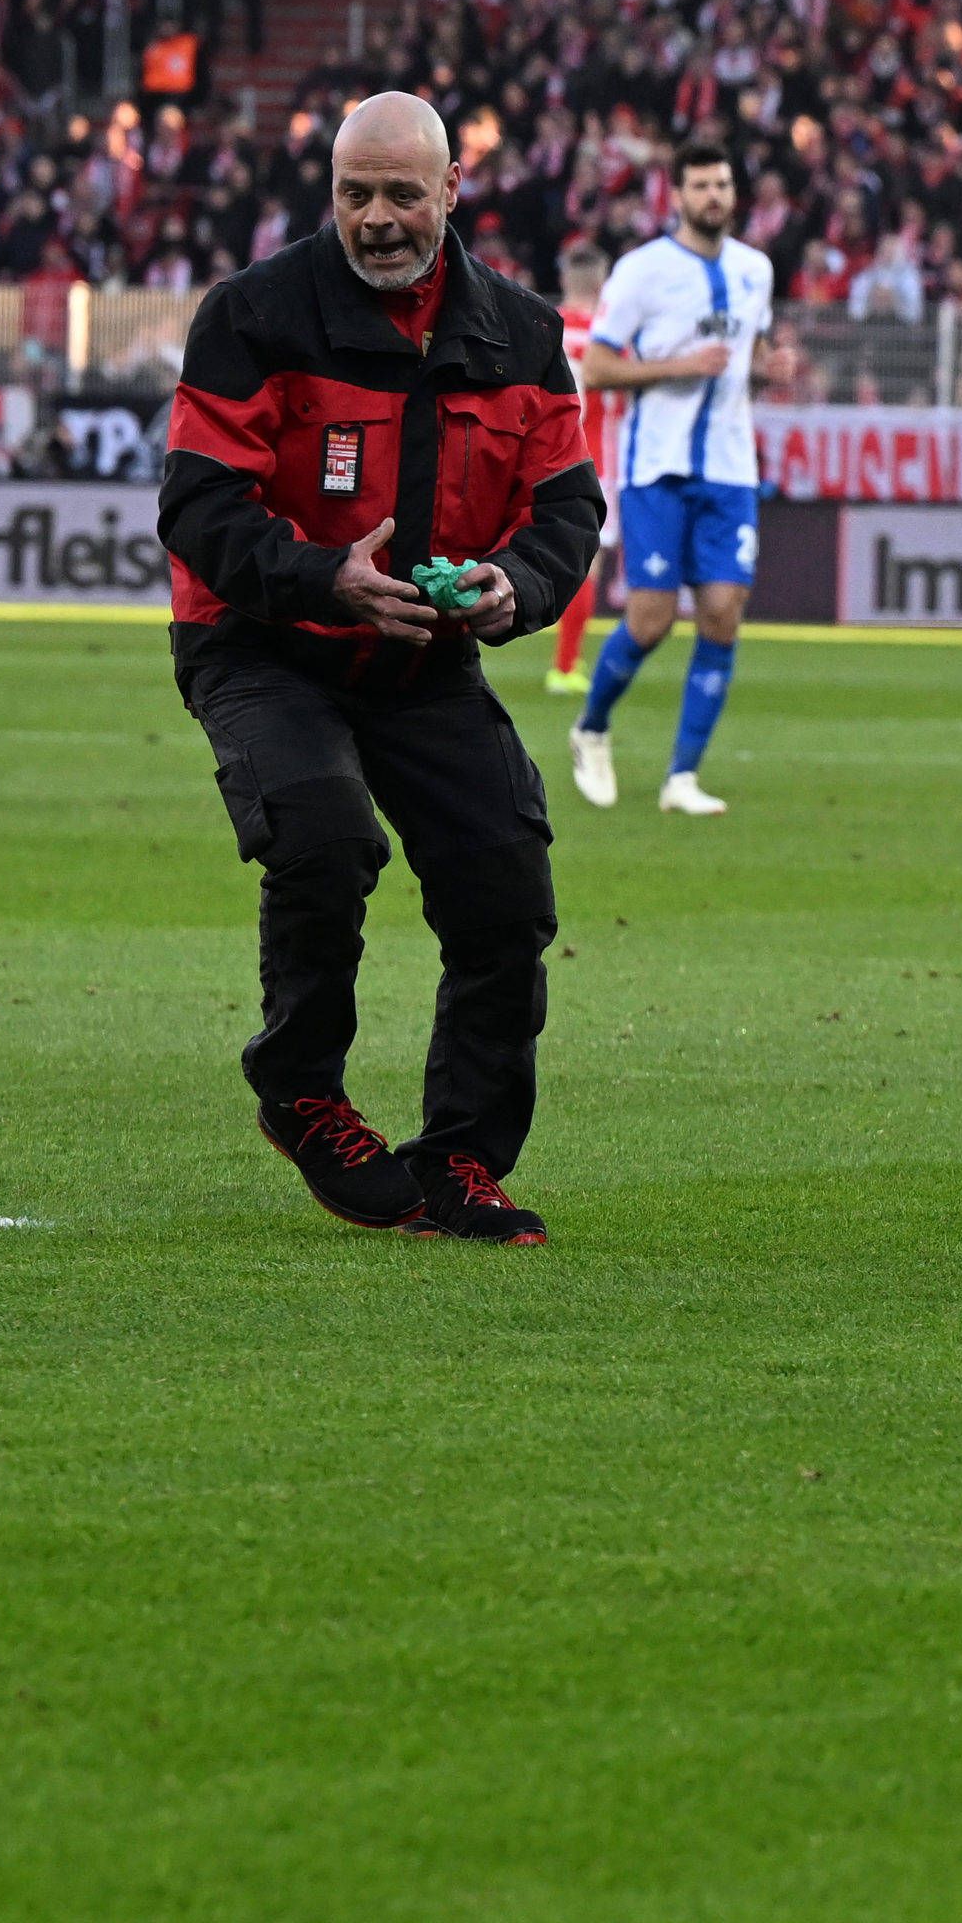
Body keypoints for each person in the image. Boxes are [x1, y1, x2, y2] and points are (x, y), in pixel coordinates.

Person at [156, 89, 601, 1245]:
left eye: (404, 193)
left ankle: (462, 1158)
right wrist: (320, 576)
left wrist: (520, 586)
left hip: (423, 654)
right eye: (356, 193)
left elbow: (566, 510)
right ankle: (302, 1091)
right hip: (264, 641)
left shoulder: (523, 333)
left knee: (506, 888)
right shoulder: (252, 315)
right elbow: (197, 502)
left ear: (453, 193)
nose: (378, 217)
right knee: (323, 832)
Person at [567, 140, 771, 816]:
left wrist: (772, 369)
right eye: (701, 186)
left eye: (723, 184)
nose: (714, 196)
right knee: (650, 619)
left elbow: (750, 354)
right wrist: (679, 367)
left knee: (721, 613)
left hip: (732, 469)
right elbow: (597, 367)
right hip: (658, 466)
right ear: (677, 197)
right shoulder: (642, 272)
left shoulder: (755, 271)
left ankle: (682, 776)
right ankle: (591, 727)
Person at [542, 247, 620, 696]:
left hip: (550, 458)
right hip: (597, 459)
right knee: (588, 564)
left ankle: (567, 659)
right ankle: (566, 666)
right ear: (600, 282)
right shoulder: (606, 335)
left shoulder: (546, 326)